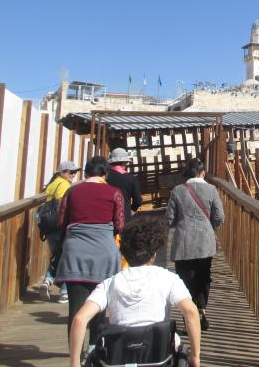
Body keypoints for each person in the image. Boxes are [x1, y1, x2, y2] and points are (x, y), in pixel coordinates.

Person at [68, 218, 201, 367]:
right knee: (176, 342)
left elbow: (80, 319)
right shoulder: (168, 278)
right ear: (153, 255)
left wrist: (74, 363)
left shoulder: (109, 284)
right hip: (159, 356)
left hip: (118, 357)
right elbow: (191, 311)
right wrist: (195, 357)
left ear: (124, 255)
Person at [55, 156, 125, 346]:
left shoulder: (71, 191)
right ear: (105, 174)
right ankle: (95, 350)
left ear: (86, 173)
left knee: (76, 310)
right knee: (100, 309)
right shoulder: (114, 193)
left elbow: (61, 222)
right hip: (104, 253)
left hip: (75, 252)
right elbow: (119, 225)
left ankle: (75, 356)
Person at [166, 158, 224, 331]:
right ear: (203, 172)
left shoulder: (177, 191)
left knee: (184, 280)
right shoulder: (212, 189)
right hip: (205, 243)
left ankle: (188, 316)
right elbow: (220, 216)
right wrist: (208, 226)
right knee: (203, 277)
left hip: (183, 243)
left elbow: (169, 219)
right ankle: (202, 309)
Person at [39, 160, 79, 303]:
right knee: (67, 258)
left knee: (57, 256)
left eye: (75, 172)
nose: (73, 175)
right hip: (59, 227)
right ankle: (64, 292)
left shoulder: (52, 184)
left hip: (48, 228)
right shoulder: (63, 185)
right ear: (62, 172)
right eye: (70, 172)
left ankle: (47, 281)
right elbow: (62, 207)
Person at [106, 147, 143, 221]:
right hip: (125, 216)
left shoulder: (105, 177)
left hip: (108, 215)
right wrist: (132, 211)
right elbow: (138, 200)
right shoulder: (131, 178)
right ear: (124, 162)